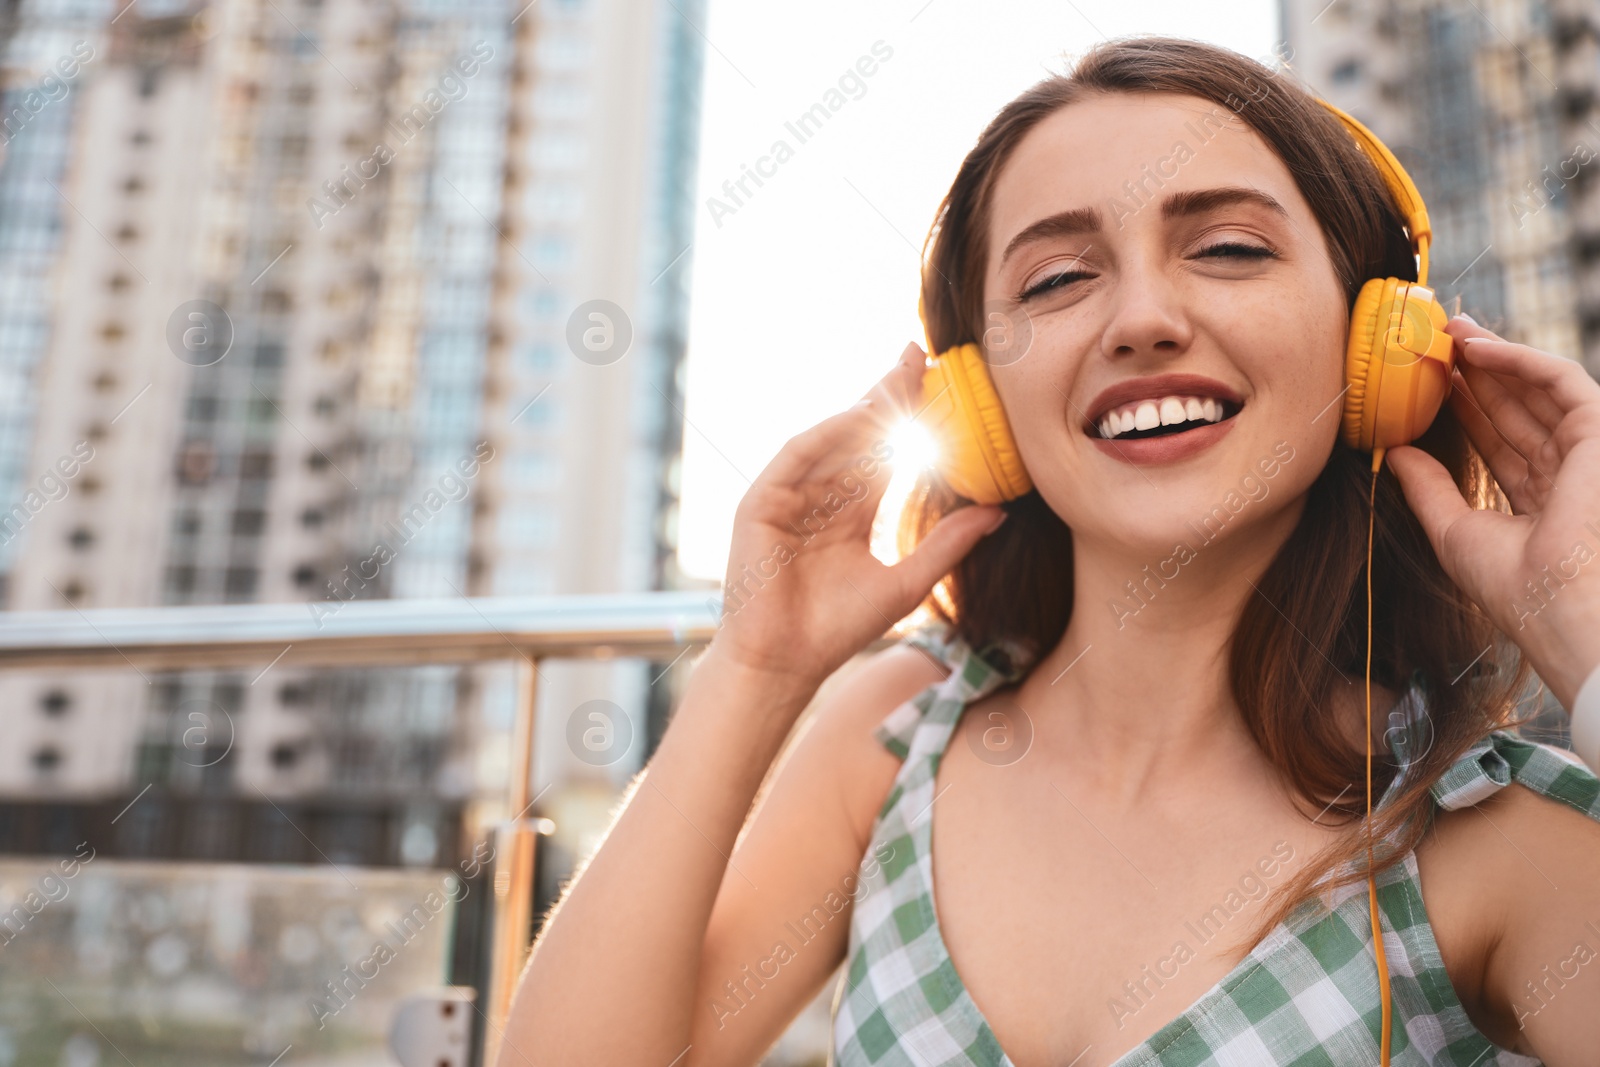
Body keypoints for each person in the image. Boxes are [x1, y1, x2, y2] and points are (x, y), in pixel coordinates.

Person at [498, 36, 1600, 1067]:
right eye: (1056, 279)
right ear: (979, 404)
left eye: (1225, 248)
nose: (1141, 318)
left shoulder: (1479, 827)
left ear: (1376, 342)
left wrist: (1586, 627)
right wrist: (754, 669)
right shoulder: (894, 739)